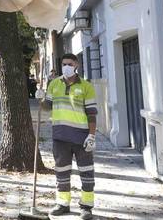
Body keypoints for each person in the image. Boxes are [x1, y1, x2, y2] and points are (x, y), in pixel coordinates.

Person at [37, 54, 97, 220]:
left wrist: (92, 135)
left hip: (81, 138)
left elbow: (92, 114)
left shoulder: (86, 86)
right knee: (61, 173)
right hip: (60, 137)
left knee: (87, 173)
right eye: (64, 64)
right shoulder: (54, 84)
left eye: (70, 64)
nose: (66, 67)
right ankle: (62, 204)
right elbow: (47, 107)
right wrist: (40, 97)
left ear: (76, 64)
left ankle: (86, 207)